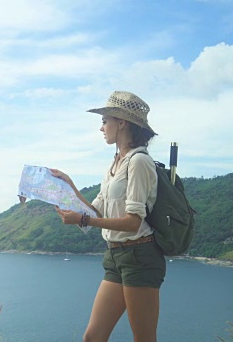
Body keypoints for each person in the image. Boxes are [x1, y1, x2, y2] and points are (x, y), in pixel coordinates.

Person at [51, 91, 165, 342]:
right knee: (92, 337)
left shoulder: (139, 162)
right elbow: (97, 212)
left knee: (144, 339)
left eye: (104, 121)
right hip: (115, 255)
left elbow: (133, 222)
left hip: (140, 255)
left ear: (122, 122)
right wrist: (68, 184)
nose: (101, 128)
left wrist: (82, 221)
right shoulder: (115, 164)